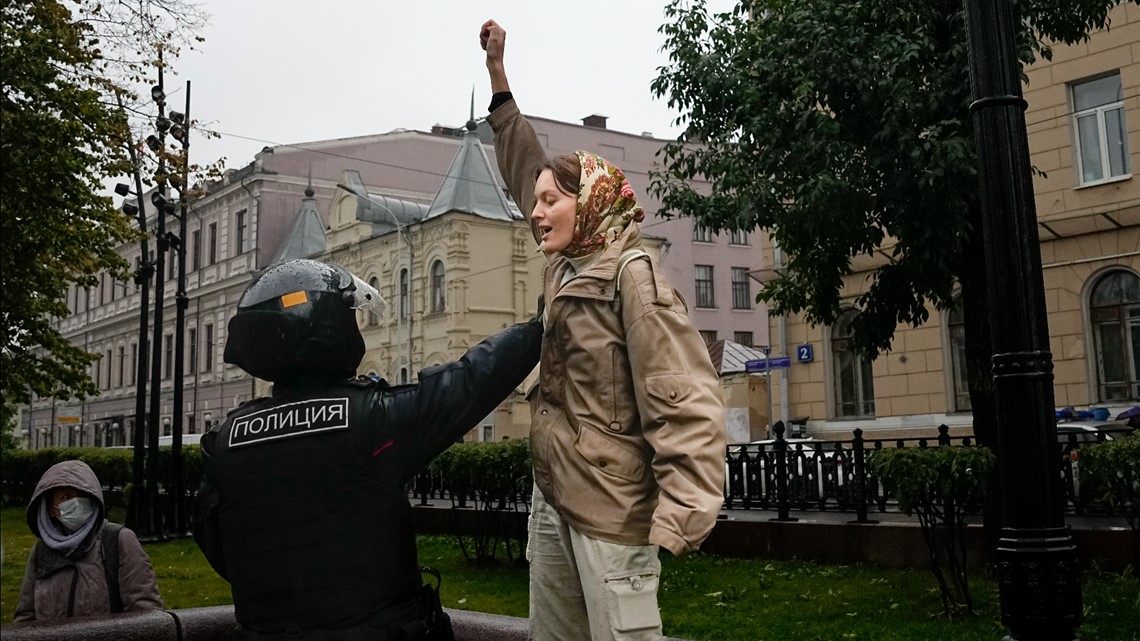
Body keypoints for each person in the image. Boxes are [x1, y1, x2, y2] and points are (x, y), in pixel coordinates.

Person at [480, 19, 727, 641]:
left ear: (589, 203)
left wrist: (684, 512)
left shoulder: (631, 274)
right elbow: (527, 168)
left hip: (613, 512)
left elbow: (683, 393)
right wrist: (500, 81)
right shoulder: (566, 262)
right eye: (535, 203)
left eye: (550, 202)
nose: (535, 212)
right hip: (555, 497)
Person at [193, 258, 543, 640]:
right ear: (330, 326)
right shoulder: (371, 420)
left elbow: (217, 546)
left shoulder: (225, 441)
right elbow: (470, 381)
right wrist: (539, 327)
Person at [13, 460, 163, 622]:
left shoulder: (118, 540)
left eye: (82, 495)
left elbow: (146, 615)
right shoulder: (41, 551)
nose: (76, 503)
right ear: (50, 508)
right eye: (66, 496)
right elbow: (26, 618)